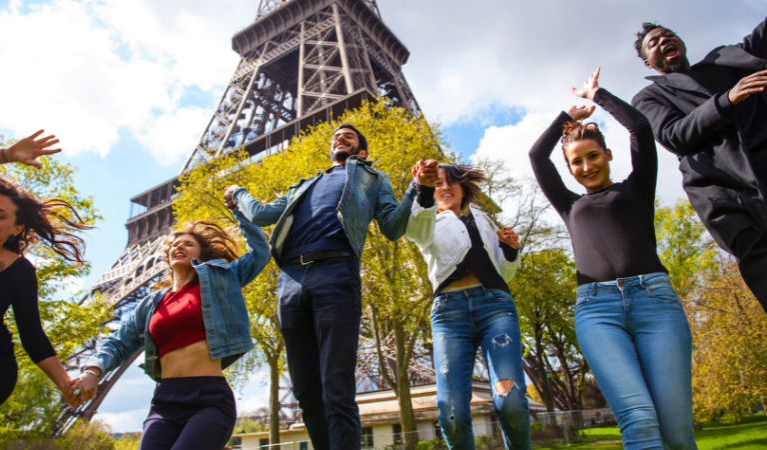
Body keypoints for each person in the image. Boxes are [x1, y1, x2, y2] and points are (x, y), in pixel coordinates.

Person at [224, 123, 437, 450]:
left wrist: (416, 188)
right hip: (290, 279)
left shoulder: (372, 179)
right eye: (336, 136)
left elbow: (393, 228)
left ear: (361, 152)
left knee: (336, 386)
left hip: (336, 271)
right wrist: (239, 192)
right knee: (306, 392)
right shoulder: (304, 185)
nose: (340, 137)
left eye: (349, 136)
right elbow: (263, 215)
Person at [529, 69, 697, 449]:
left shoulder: (637, 188)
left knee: (676, 433)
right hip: (597, 310)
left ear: (607, 154)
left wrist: (597, 95)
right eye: (576, 162)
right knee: (638, 421)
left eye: (593, 156)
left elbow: (639, 127)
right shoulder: (569, 205)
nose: (586, 167)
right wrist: (565, 121)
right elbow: (537, 156)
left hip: (655, 303)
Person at [67, 209, 270, 450]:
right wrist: (93, 370)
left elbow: (260, 252)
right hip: (165, 401)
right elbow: (119, 342)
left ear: (202, 255)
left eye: (188, 244)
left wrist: (239, 208)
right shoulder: (151, 304)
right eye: (175, 244)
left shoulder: (221, 281)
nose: (179, 246)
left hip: (208, 398)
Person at [631, 19, 767, 313]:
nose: (662, 40)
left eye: (668, 35)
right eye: (653, 42)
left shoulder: (725, 59)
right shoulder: (649, 97)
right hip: (732, 199)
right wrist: (726, 101)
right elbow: (674, 134)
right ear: (647, 62)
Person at [405, 162, 530, 450]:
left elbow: (505, 272)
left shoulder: (484, 220)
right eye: (437, 184)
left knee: (510, 401)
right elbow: (414, 230)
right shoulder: (427, 221)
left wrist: (511, 251)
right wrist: (421, 188)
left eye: (451, 182)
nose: (444, 187)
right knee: (451, 411)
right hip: (449, 314)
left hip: (495, 306)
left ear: (463, 188)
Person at [0, 130, 91, 420]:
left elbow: (32, 335)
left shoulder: (19, 270)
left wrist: (66, 384)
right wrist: (5, 155)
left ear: (17, 228)